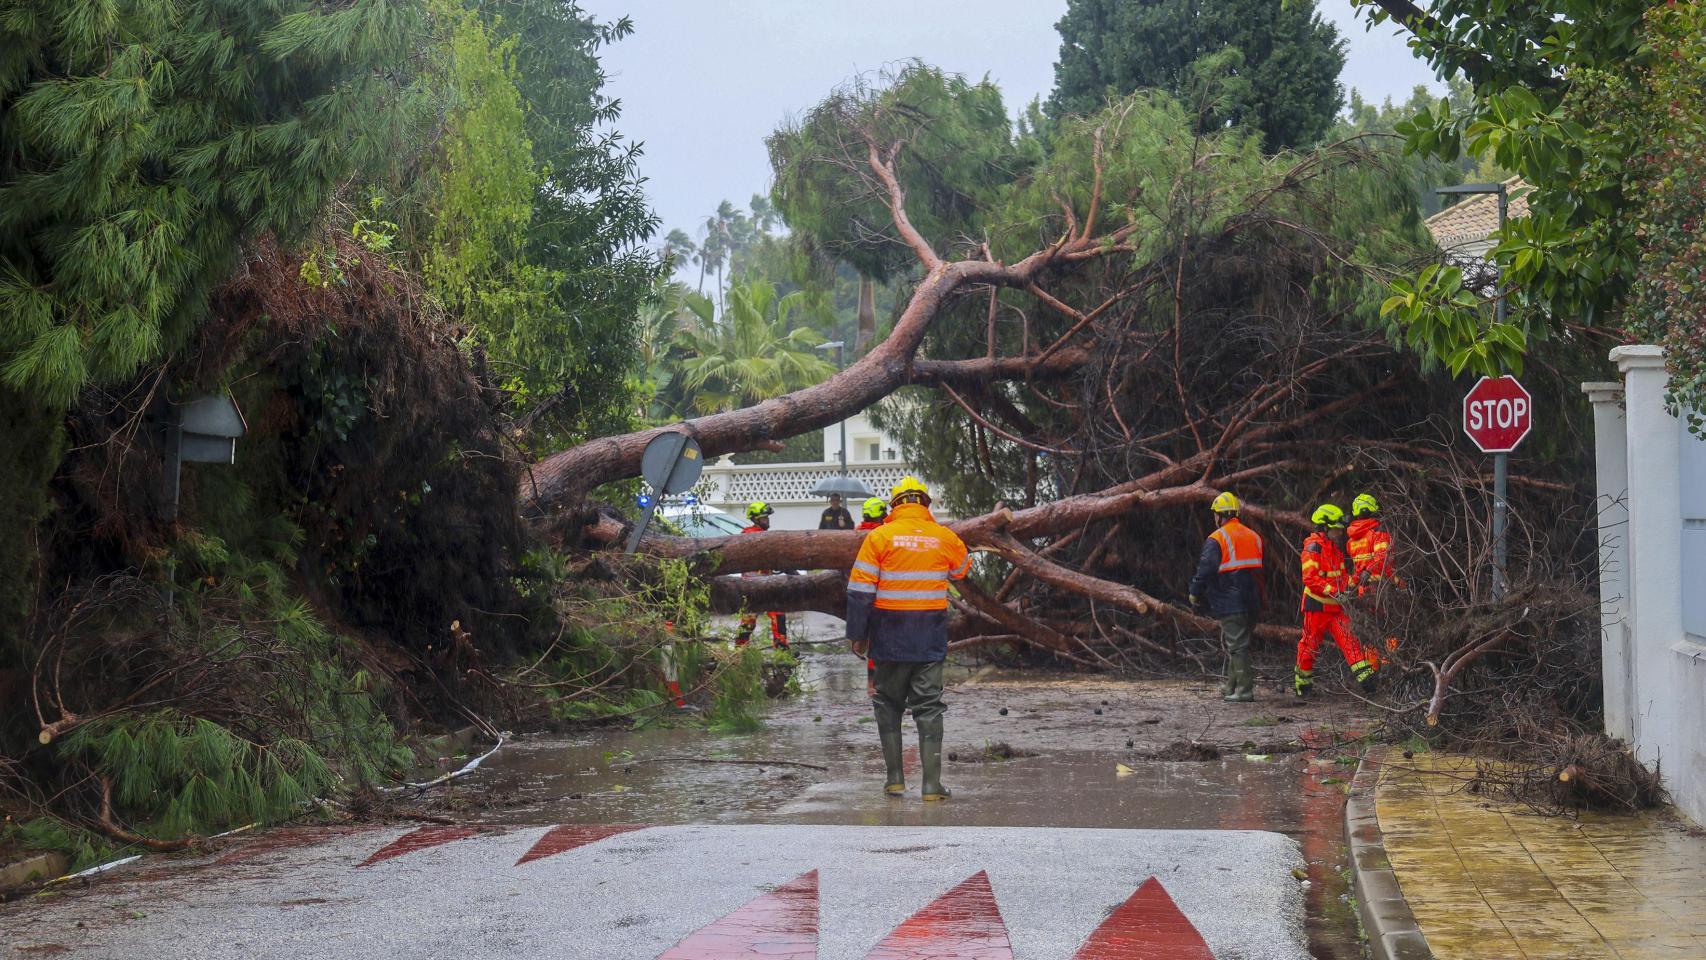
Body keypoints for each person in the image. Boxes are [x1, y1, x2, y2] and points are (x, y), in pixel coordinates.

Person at [845, 476, 969, 800]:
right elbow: (962, 569)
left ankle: (895, 780)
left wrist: (857, 635)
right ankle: (931, 786)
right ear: (925, 504)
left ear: (894, 506)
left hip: (888, 636)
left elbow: (859, 591)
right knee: (929, 707)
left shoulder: (878, 538)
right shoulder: (944, 537)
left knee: (887, 704)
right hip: (928, 635)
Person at [1188, 491, 1265, 702]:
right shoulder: (1254, 536)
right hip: (1253, 600)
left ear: (1219, 515)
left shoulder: (1217, 538)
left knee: (1237, 646)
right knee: (1238, 643)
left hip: (1230, 599)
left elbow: (1206, 569)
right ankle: (1231, 685)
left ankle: (1244, 690)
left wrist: (1195, 591)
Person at [1296, 503, 1377, 697]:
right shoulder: (1313, 547)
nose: (1340, 533)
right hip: (1316, 607)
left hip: (1335, 606)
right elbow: (1310, 578)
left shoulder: (1333, 549)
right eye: (1336, 529)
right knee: (1309, 646)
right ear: (1324, 528)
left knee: (1351, 642)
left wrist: (1357, 580)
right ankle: (1303, 686)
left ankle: (1369, 685)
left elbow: (1342, 578)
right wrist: (1333, 590)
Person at [1346, 492, 1401, 665]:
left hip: (1364, 592)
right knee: (1389, 629)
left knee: (1369, 631)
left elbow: (1357, 569)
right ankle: (1389, 666)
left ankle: (1373, 667)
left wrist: (1350, 586)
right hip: (1383, 589)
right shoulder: (1379, 535)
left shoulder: (1352, 542)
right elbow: (1383, 559)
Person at [735, 501, 788, 650]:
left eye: (767, 518)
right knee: (771, 615)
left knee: (757, 618)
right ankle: (780, 646)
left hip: (759, 585)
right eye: (765, 518)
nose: (767, 521)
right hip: (755, 586)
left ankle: (740, 649)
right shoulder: (751, 535)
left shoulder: (754, 534)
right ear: (756, 519)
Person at [856, 497, 889, 699]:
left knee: (869, 637)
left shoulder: (857, 532)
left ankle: (872, 682)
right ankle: (881, 681)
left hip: (861, 593)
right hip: (882, 593)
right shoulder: (882, 534)